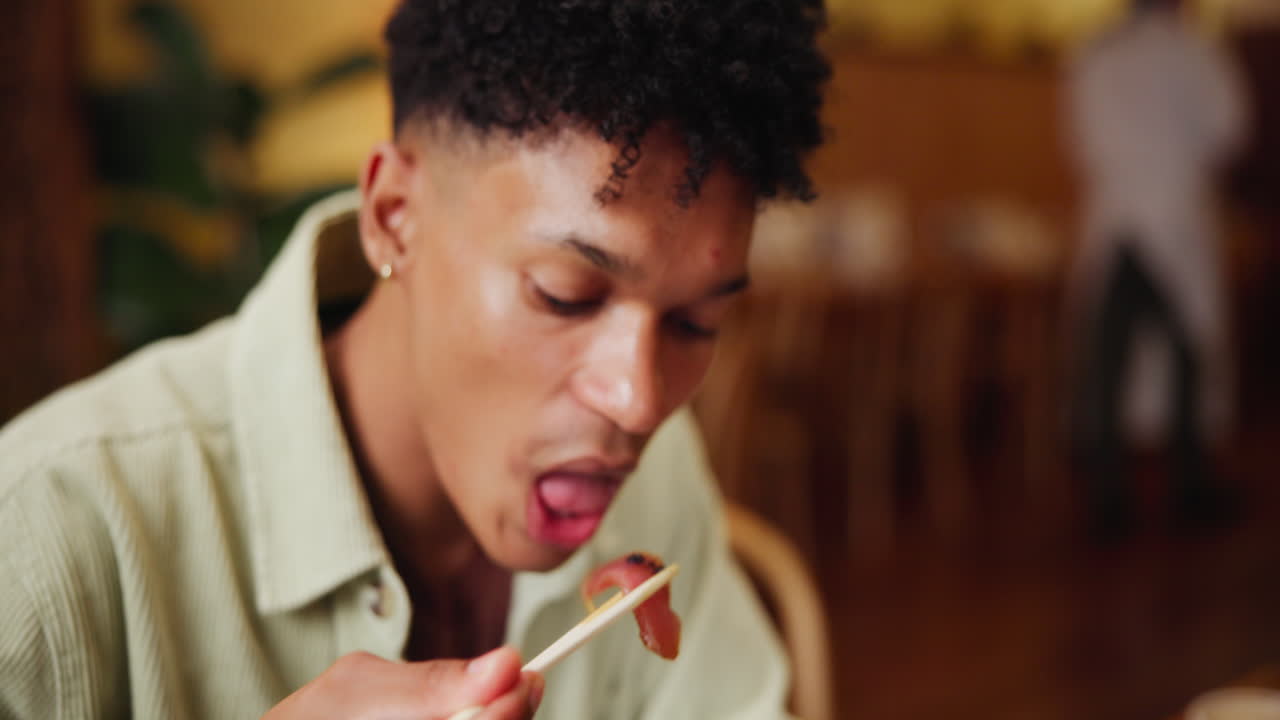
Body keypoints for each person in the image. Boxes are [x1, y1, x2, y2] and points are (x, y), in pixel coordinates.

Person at [0, 1, 831, 717]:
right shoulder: (52, 534)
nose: (640, 401)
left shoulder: (657, 475)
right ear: (396, 217)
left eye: (694, 322)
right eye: (564, 294)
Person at [1064, 0, 1249, 539]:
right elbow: (1231, 128)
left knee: (1109, 361)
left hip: (1115, 220)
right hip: (1175, 219)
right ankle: (1189, 486)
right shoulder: (1194, 51)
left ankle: (1107, 493)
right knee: (1186, 358)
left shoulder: (1095, 52)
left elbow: (1078, 140)